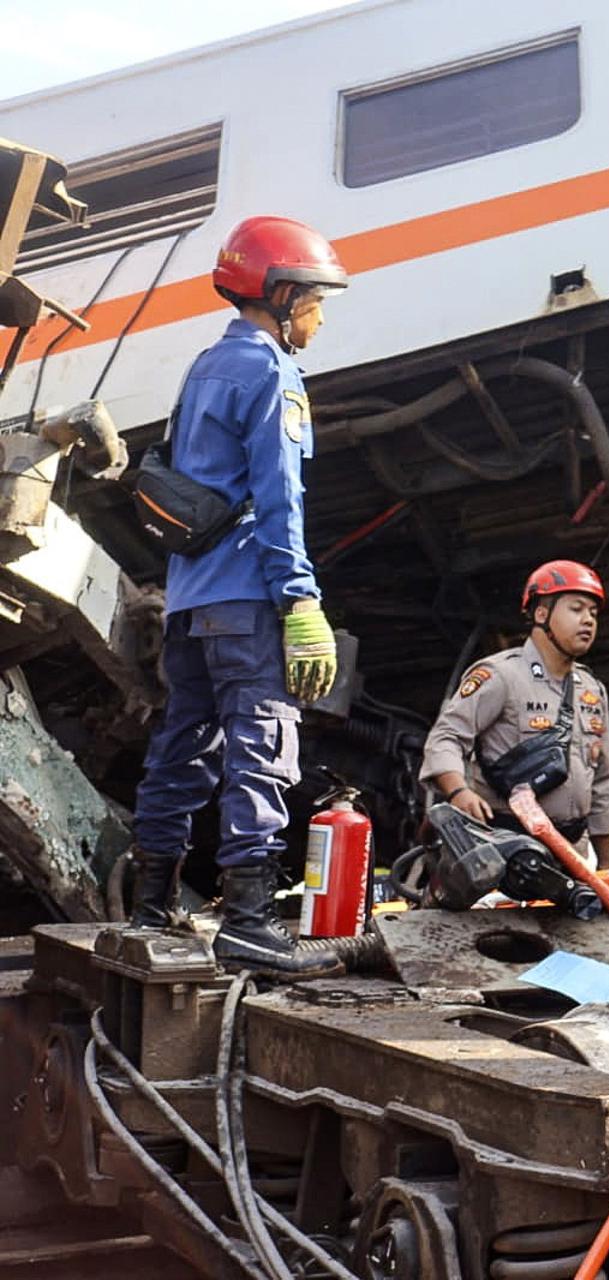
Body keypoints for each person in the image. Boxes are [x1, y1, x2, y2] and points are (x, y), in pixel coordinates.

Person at [126, 215, 347, 977]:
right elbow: (279, 496)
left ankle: (151, 904)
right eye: (316, 301)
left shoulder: (206, 365)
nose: (320, 317)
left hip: (189, 599)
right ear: (281, 295)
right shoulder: (273, 373)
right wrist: (302, 600)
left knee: (183, 745)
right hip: (248, 596)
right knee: (263, 748)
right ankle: (249, 921)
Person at [420, 561, 609, 871]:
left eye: (593, 613)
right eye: (576, 609)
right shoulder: (501, 675)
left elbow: (602, 781)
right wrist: (458, 792)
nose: (588, 620)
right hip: (501, 852)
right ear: (542, 614)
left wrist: (605, 866)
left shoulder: (592, 689)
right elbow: (445, 738)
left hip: (568, 858)